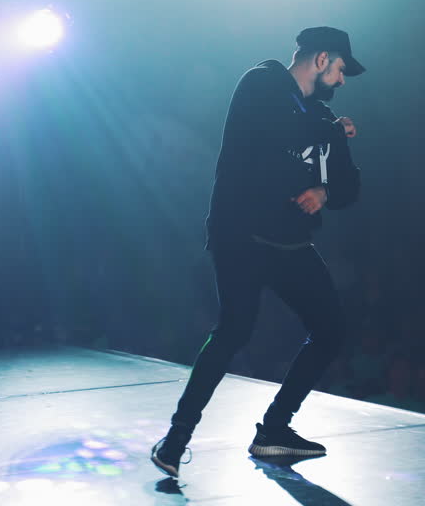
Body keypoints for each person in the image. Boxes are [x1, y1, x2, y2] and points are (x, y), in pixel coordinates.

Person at [151, 27, 365, 479]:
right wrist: (332, 129)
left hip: (290, 244)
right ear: (322, 59)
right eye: (342, 70)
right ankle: (175, 439)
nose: (343, 81)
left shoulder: (321, 117)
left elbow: (350, 186)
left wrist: (324, 191)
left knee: (331, 329)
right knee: (234, 329)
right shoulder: (262, 83)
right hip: (241, 237)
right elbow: (278, 126)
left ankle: (273, 431)